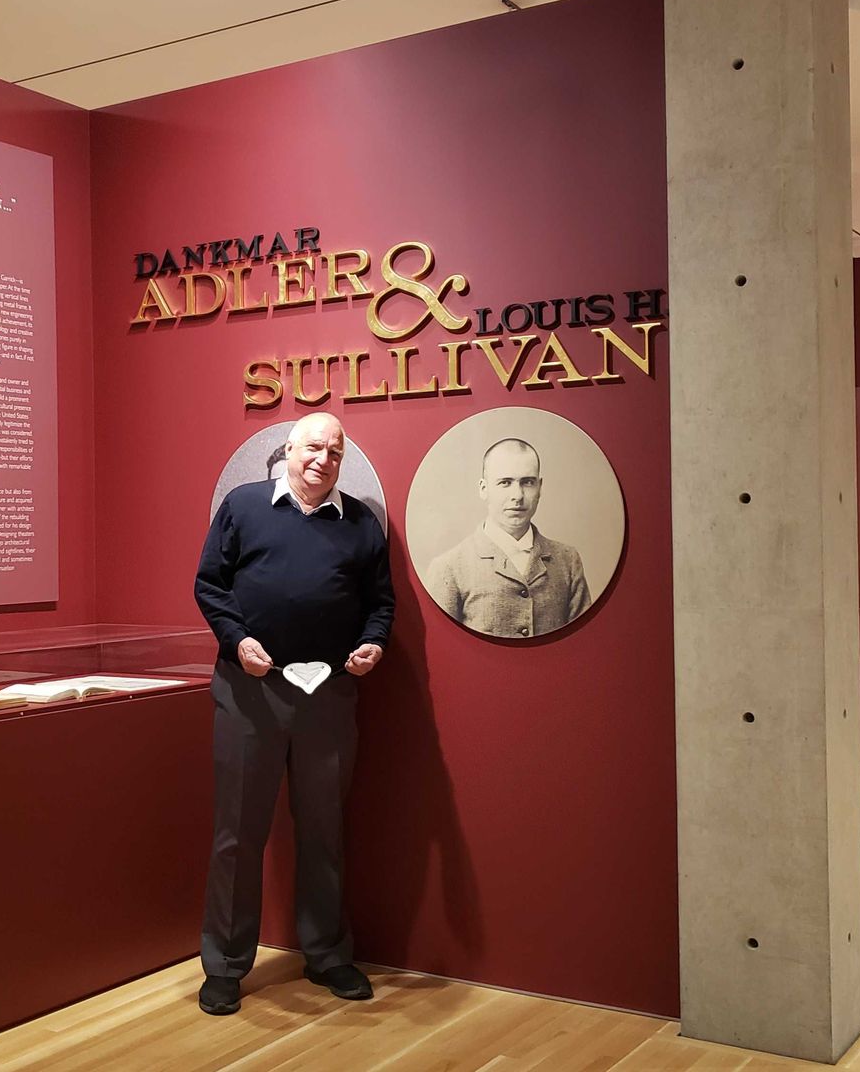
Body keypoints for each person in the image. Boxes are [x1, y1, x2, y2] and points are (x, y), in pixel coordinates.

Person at [192, 411, 394, 1016]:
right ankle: (225, 966)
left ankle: (328, 955)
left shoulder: (361, 525)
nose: (323, 460)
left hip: (328, 696)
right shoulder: (244, 506)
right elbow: (210, 584)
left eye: (335, 452)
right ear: (288, 451)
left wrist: (374, 643)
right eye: (313, 447)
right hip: (249, 692)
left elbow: (380, 603)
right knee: (237, 835)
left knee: (324, 831)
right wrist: (235, 640)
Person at [425, 437, 589, 639]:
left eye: (527, 482)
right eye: (505, 482)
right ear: (484, 489)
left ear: (540, 487)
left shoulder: (567, 560)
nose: (517, 495)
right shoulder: (448, 568)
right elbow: (443, 648)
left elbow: (584, 641)